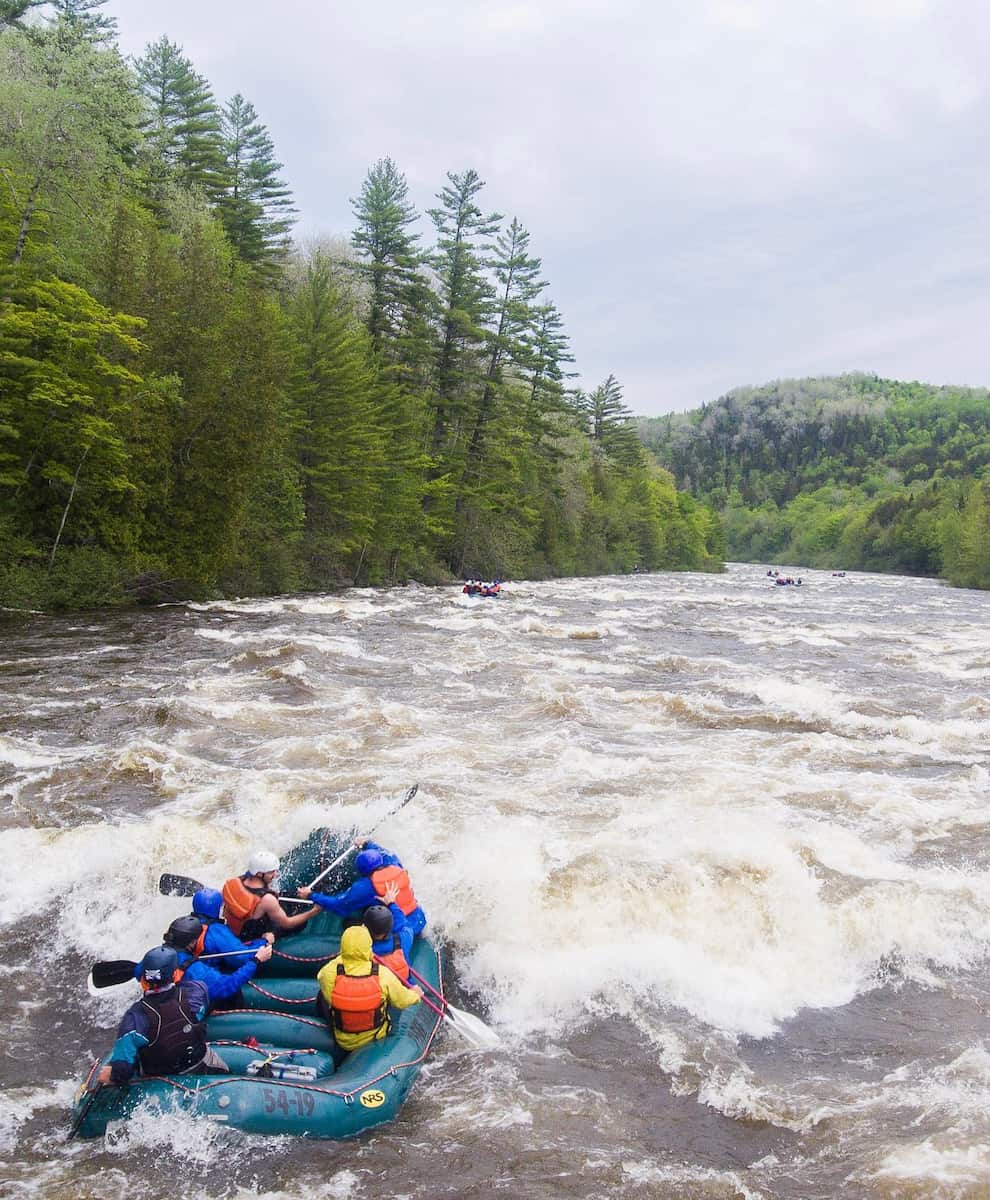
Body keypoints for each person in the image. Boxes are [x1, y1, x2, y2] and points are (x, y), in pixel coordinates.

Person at [96, 946, 229, 1085]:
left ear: (142, 980)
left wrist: (111, 1075)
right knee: (225, 1073)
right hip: (202, 1065)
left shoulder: (134, 1018)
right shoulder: (196, 991)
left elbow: (122, 1070)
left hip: (161, 1083)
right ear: (175, 974)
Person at [315, 925, 422, 1064]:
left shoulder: (329, 972)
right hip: (376, 1037)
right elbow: (402, 1001)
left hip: (343, 1040)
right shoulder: (383, 974)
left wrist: (344, 957)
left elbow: (322, 980)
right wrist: (415, 994)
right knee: (386, 999)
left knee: (322, 996)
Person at [296, 841, 427, 935]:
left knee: (348, 924)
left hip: (400, 929)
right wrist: (366, 843)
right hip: (418, 918)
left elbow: (339, 905)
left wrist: (311, 895)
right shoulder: (394, 864)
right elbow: (385, 852)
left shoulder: (367, 887)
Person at [163, 915, 272, 1008]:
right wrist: (256, 960)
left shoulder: (155, 957)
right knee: (234, 995)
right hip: (189, 1013)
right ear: (191, 943)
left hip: (165, 1006)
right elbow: (227, 986)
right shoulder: (195, 970)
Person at [222, 850, 320, 941]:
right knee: (300, 922)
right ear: (260, 874)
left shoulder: (237, 881)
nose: (275, 874)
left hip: (237, 928)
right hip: (251, 935)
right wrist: (314, 911)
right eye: (271, 872)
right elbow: (287, 923)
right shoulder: (267, 899)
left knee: (289, 896)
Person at [191, 887, 273, 964]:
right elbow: (240, 958)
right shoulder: (217, 931)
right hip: (208, 974)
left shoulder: (186, 923)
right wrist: (264, 941)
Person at [363, 882, 412, 983]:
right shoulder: (403, 939)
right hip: (403, 987)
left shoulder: (363, 950)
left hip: (380, 990)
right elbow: (404, 924)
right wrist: (391, 903)